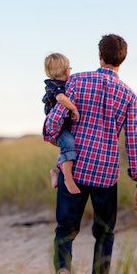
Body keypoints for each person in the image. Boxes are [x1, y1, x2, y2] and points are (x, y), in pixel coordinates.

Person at [43, 34, 137, 274]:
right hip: (105, 175)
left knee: (65, 231)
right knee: (104, 233)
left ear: (99, 56)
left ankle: (63, 272)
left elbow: (53, 123)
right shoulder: (128, 95)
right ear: (122, 59)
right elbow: (135, 141)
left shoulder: (77, 81)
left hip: (75, 169)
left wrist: (54, 134)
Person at [42, 53, 81, 194]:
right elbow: (60, 98)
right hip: (57, 127)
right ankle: (68, 179)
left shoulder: (64, 84)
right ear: (66, 71)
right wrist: (73, 108)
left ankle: (56, 171)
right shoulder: (55, 86)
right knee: (69, 143)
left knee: (68, 147)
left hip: (63, 125)